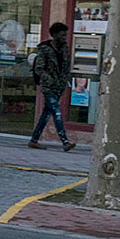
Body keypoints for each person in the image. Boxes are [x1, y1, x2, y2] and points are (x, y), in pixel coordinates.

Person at [28, 21, 74, 150]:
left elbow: (66, 66)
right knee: (57, 112)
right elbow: (39, 69)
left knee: (46, 114)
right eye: (61, 35)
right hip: (48, 86)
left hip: (59, 86)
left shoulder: (64, 48)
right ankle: (65, 142)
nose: (64, 38)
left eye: (65, 35)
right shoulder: (45, 50)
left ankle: (34, 140)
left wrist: (63, 81)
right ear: (54, 35)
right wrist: (50, 80)